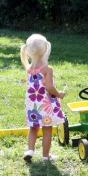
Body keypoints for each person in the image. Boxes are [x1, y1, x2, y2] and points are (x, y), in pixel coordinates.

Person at [21, 34, 66, 162]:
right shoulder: (47, 69)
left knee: (33, 128)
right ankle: (46, 156)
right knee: (47, 129)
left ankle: (30, 150)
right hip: (44, 103)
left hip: (32, 104)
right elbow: (49, 88)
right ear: (46, 50)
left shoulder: (29, 68)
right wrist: (59, 94)